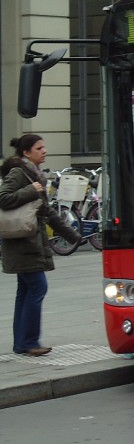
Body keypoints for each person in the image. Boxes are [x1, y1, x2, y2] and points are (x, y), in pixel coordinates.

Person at [1, 134, 81, 357]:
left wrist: (72, 235)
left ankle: (22, 343)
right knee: (37, 288)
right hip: (23, 242)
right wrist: (31, 190)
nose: (44, 151)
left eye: (44, 147)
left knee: (26, 290)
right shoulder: (20, 173)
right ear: (27, 153)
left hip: (27, 241)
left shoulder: (34, 174)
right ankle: (30, 342)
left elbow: (47, 211)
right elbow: (3, 197)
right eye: (39, 148)